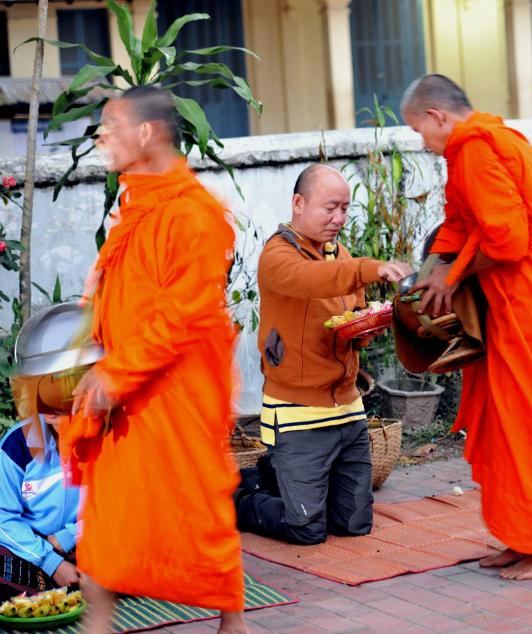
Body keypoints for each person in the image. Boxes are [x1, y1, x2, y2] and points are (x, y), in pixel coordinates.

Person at [401, 74, 532, 580]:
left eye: (418, 130)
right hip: (513, 308)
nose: (421, 142)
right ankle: (523, 537)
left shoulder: (477, 149)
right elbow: (461, 223)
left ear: (437, 116)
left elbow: (508, 242)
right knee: (506, 426)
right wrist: (435, 267)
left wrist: (454, 273)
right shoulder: (475, 149)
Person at [66, 86, 247, 633]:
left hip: (173, 394)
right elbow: (122, 284)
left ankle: (232, 622)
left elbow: (180, 314)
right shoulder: (138, 202)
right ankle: (99, 623)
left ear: (146, 133)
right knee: (104, 531)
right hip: (127, 394)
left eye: (110, 126)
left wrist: (115, 375)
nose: (102, 138)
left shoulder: (193, 215)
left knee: (197, 516)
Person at [234, 164, 412, 544]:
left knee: (353, 524)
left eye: (345, 209)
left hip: (347, 407)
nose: (339, 218)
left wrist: (364, 330)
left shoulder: (338, 252)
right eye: (330, 208)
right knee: (306, 529)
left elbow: (354, 303)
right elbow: (313, 280)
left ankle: (283, 478)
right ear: (298, 203)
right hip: (298, 412)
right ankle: (241, 496)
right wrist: (369, 268)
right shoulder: (277, 256)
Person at [0, 415, 79, 594]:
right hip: (29, 547)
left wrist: (71, 536)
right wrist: (51, 562)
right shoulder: (18, 443)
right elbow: (3, 515)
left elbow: (122, 506)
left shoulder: (108, 438)